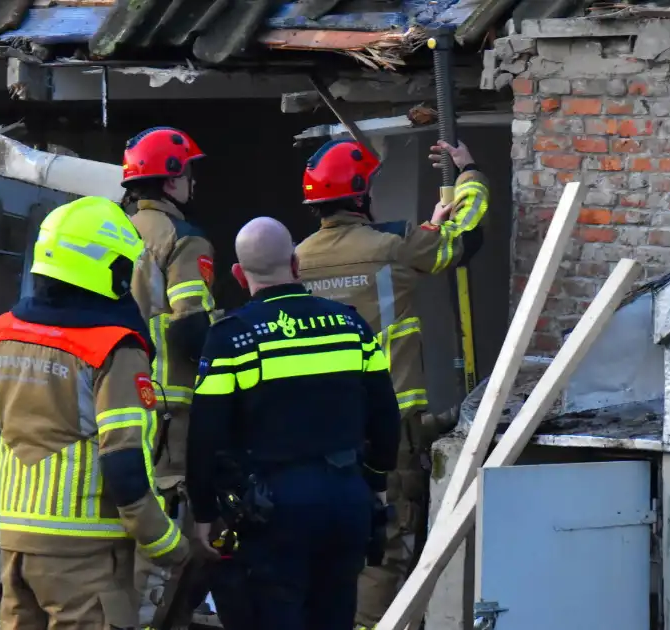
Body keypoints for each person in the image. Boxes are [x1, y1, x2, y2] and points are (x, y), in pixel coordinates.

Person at [0, 196, 189, 629]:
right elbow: (123, 462)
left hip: (15, 542)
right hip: (85, 553)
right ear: (105, 267)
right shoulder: (112, 348)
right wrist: (167, 545)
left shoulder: (3, 332)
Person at [294, 138, 490, 629]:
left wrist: (426, 229)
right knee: (385, 538)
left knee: (326, 536)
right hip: (386, 422)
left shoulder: (296, 260)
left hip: (315, 427)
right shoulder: (394, 244)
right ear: (361, 197)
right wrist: (469, 175)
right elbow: (466, 240)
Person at [187, 216, 401, 629]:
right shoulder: (350, 325)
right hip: (346, 500)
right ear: (297, 263)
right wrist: (373, 483)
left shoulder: (231, 337)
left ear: (237, 274)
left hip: (273, 511)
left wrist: (203, 511)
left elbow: (205, 434)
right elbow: (385, 415)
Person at [122, 126, 217, 628]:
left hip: (116, 400)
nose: (194, 184)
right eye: (189, 172)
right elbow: (188, 327)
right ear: (172, 178)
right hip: (168, 408)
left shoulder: (112, 230)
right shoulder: (183, 239)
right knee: (172, 532)